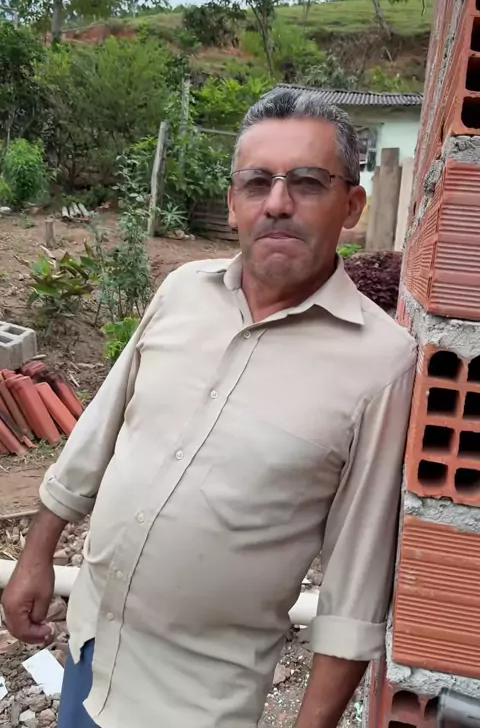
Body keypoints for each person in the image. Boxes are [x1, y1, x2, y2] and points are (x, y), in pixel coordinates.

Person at [2, 87, 417, 728]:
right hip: (91, 649)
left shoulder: (381, 364)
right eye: (256, 182)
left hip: (199, 704)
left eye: (308, 182)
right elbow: (97, 434)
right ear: (232, 202)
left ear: (352, 205)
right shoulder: (180, 292)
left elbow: (355, 590)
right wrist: (37, 555)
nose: (277, 203)